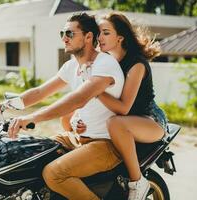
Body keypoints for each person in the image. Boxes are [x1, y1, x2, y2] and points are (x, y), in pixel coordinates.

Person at [0, 12, 124, 200]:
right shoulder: (72, 66)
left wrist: (31, 118)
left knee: (53, 174)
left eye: (69, 33)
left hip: (105, 144)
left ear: (89, 37)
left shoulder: (105, 64)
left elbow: (78, 99)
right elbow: (39, 93)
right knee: (31, 154)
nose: (64, 38)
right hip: (76, 138)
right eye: (62, 33)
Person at [61, 12, 169, 200]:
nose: (99, 37)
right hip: (125, 122)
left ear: (120, 37)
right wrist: (82, 120)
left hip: (149, 120)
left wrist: (95, 88)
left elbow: (123, 108)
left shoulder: (137, 64)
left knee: (115, 123)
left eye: (105, 33)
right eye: (99, 33)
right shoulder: (106, 62)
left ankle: (138, 182)